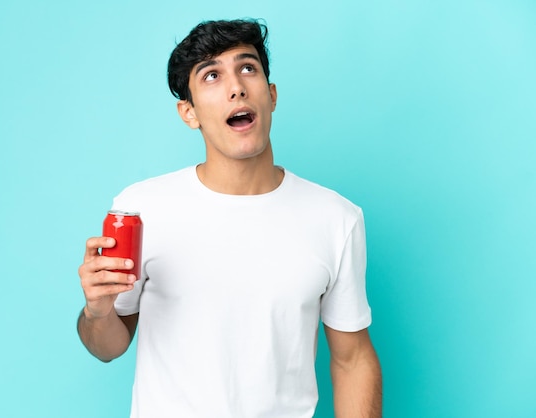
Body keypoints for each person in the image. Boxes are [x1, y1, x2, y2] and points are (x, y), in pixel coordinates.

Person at [77, 18, 382, 417]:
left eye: (248, 68)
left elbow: (352, 359)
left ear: (271, 96)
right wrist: (96, 311)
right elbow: (108, 348)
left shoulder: (336, 218)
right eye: (211, 75)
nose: (236, 86)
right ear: (189, 112)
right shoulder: (142, 209)